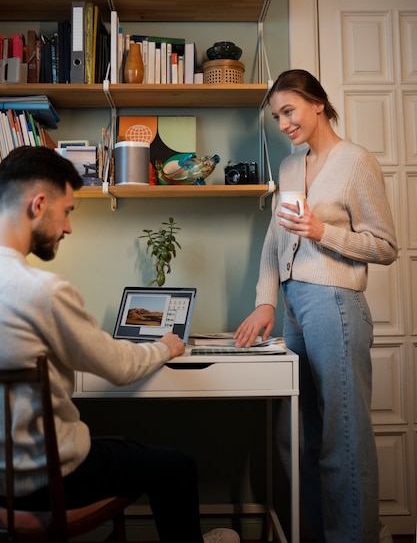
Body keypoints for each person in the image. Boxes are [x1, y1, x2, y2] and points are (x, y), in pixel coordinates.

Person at [0, 145, 239, 543]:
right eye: (68, 211)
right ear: (38, 205)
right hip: (47, 479)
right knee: (175, 464)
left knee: (119, 444)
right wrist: (166, 346)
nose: (69, 228)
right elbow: (118, 366)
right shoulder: (42, 291)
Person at [234, 69, 398, 543]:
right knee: (296, 436)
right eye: (277, 116)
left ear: (318, 103)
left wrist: (323, 232)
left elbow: (385, 246)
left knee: (342, 436)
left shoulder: (356, 162)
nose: (283, 123)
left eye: (290, 111)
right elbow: (273, 240)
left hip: (336, 305)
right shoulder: (289, 166)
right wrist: (265, 302)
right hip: (293, 309)